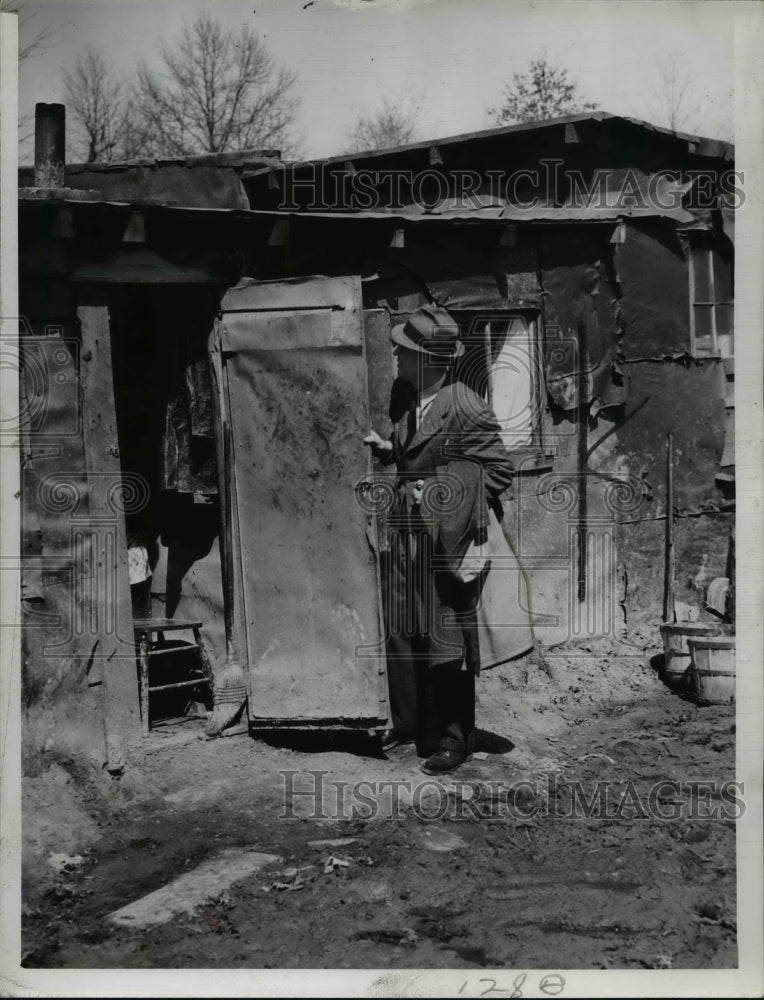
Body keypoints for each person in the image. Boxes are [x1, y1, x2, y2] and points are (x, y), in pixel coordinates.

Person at [364, 304, 532, 775]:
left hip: (446, 543)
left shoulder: (464, 403)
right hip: (408, 541)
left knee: (449, 642)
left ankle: (457, 739)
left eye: (404, 351)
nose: (396, 357)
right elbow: (418, 451)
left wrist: (438, 493)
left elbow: (498, 471)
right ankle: (418, 726)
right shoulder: (410, 399)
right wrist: (389, 450)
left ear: (428, 359)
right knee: (411, 634)